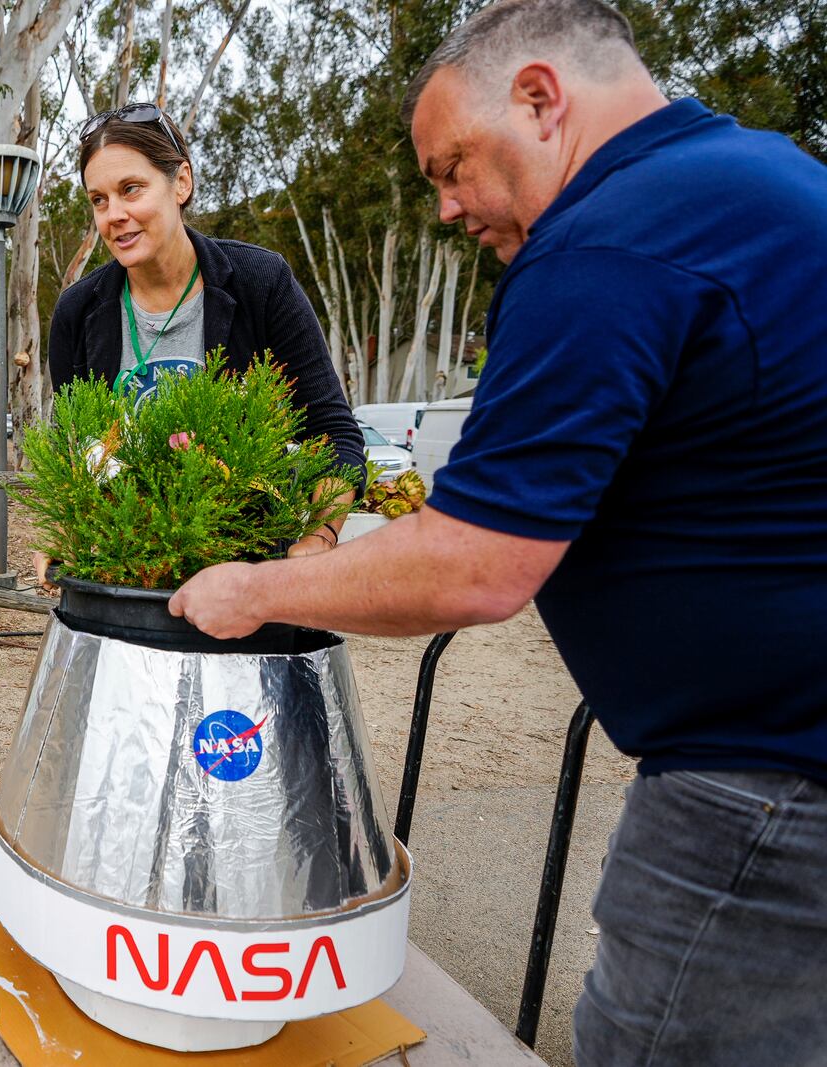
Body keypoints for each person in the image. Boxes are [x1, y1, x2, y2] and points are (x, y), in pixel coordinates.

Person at [168, 2, 827, 1064]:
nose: (443, 207)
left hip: (767, 787)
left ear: (538, 97)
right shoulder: (765, 180)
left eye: (452, 165)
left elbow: (475, 564)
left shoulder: (611, 238)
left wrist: (250, 587)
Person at [44, 102, 364, 575]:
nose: (114, 215)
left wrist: (319, 535)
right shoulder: (77, 311)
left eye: (131, 190)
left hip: (249, 574)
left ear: (182, 183)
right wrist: (64, 536)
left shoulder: (261, 284)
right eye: (99, 200)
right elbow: (71, 449)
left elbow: (335, 435)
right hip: (125, 573)